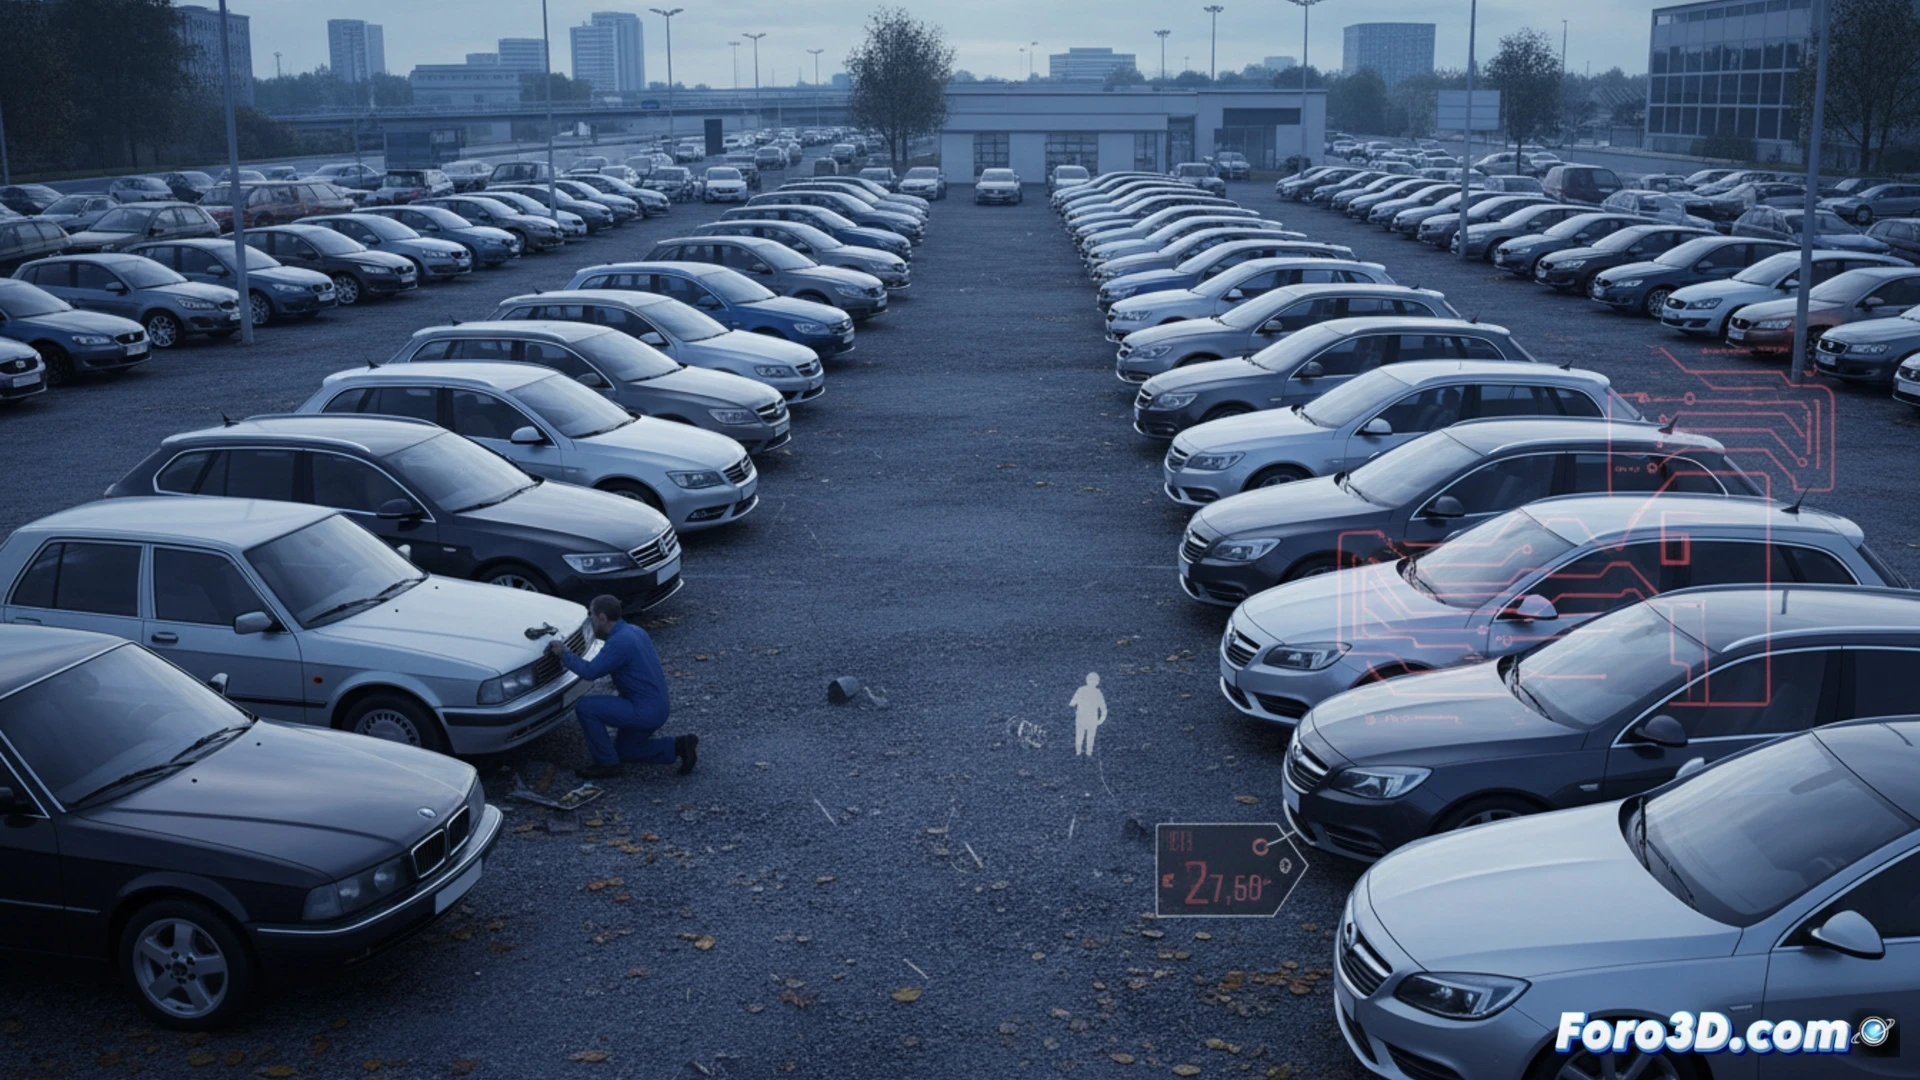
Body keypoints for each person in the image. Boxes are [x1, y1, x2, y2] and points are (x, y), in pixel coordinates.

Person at [548, 594, 696, 779]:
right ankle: (679, 746)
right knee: (625, 750)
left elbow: (590, 672)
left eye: (591, 616)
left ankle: (607, 765)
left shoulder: (619, 642)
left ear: (602, 617)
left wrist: (564, 654)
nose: (591, 620)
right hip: (658, 706)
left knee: (586, 707)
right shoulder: (635, 631)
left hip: (643, 712)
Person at [1070, 672, 1106, 757]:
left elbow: (1103, 709)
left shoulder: (1094, 692)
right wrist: (1100, 721)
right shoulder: (1083, 690)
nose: (1092, 682)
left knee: (1086, 739)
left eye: (1094, 680)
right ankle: (1082, 754)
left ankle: (1083, 755)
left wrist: (1100, 721)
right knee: (1084, 739)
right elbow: (1072, 703)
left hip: (1088, 720)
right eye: (1091, 680)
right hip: (1084, 719)